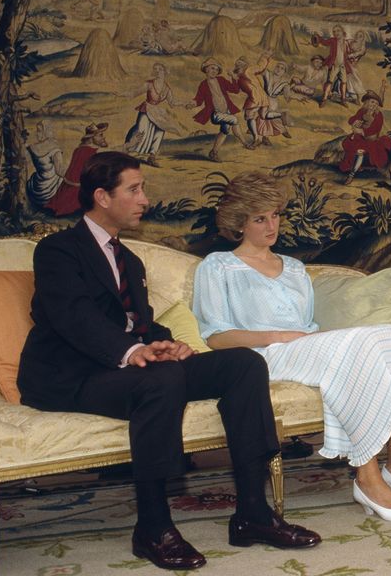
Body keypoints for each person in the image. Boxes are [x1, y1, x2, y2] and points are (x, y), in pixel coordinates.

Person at [17, 152, 320, 571]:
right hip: (72, 376)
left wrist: (169, 343)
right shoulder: (58, 251)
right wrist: (133, 351)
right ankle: (153, 527)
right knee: (159, 381)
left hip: (125, 367)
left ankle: (253, 513)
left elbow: (138, 322)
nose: (144, 199)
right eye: (134, 190)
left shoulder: (131, 260)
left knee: (243, 365)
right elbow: (75, 318)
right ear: (102, 196)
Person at [192, 172, 391, 522]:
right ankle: (367, 476)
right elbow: (215, 337)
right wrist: (277, 336)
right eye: (259, 218)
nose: (271, 225)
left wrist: (302, 339)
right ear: (239, 223)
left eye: (275, 215)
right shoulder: (218, 266)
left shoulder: (293, 268)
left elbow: (307, 325)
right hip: (259, 357)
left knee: (387, 334)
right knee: (361, 343)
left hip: (304, 349)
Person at [120, 62, 192, 167]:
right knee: (141, 131)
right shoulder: (149, 84)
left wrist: (185, 104)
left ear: (165, 72)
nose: (157, 71)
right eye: (155, 69)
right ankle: (128, 150)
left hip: (157, 112)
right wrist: (122, 94)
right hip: (146, 109)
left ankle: (152, 156)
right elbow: (135, 92)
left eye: (160, 69)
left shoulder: (167, 89)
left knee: (160, 131)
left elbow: (172, 103)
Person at [190, 57, 253, 162]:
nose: (214, 71)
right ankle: (245, 143)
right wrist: (192, 103)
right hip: (215, 114)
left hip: (226, 111)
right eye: (211, 68)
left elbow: (236, 90)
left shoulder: (221, 80)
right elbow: (198, 100)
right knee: (234, 120)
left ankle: (213, 152)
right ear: (206, 69)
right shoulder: (203, 85)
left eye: (216, 69)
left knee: (225, 131)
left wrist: (233, 78)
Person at [45, 122, 109, 217]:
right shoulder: (87, 152)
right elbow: (76, 176)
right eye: (100, 135)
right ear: (91, 138)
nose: (103, 138)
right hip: (76, 191)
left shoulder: (82, 150)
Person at [338, 82, 391, 184]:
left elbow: (375, 129)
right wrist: (354, 123)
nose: (374, 105)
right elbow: (352, 120)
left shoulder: (378, 115)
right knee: (350, 144)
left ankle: (351, 175)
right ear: (367, 102)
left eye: (376, 104)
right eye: (372, 102)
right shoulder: (362, 111)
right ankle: (352, 167)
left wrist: (361, 131)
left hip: (371, 141)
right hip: (360, 138)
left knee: (360, 151)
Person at [25, 121, 64, 208]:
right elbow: (59, 171)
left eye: (39, 131)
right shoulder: (55, 149)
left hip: (37, 186)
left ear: (45, 132)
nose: (37, 134)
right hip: (53, 188)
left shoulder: (31, 148)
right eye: (37, 131)